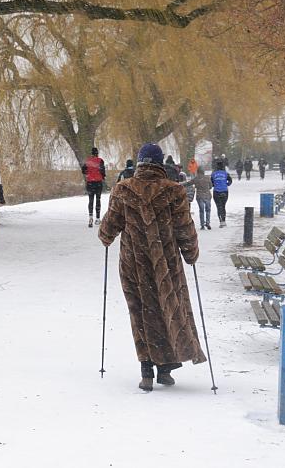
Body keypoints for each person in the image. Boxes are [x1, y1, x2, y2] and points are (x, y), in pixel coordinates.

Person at [98, 143, 206, 392]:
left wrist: (106, 236)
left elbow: (109, 228)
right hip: (166, 263)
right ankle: (165, 368)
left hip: (133, 263)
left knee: (140, 311)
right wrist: (191, 253)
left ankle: (146, 369)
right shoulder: (173, 190)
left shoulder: (123, 189)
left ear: (140, 163)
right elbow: (184, 228)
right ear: (159, 165)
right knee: (168, 307)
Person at [81, 147, 106, 227]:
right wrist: (102, 176)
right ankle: (98, 219)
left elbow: (83, 171)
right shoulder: (100, 161)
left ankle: (90, 217)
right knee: (98, 199)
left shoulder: (87, 161)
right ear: (97, 153)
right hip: (98, 182)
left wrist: (89, 173)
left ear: (91, 153)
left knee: (90, 200)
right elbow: (102, 171)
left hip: (90, 183)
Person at [211, 159, 233, 227]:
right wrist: (226, 184)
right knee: (223, 206)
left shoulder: (213, 174)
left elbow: (211, 183)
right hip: (225, 191)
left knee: (219, 206)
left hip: (216, 191)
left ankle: (221, 221)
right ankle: (224, 220)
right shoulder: (226, 173)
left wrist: (215, 184)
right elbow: (230, 181)